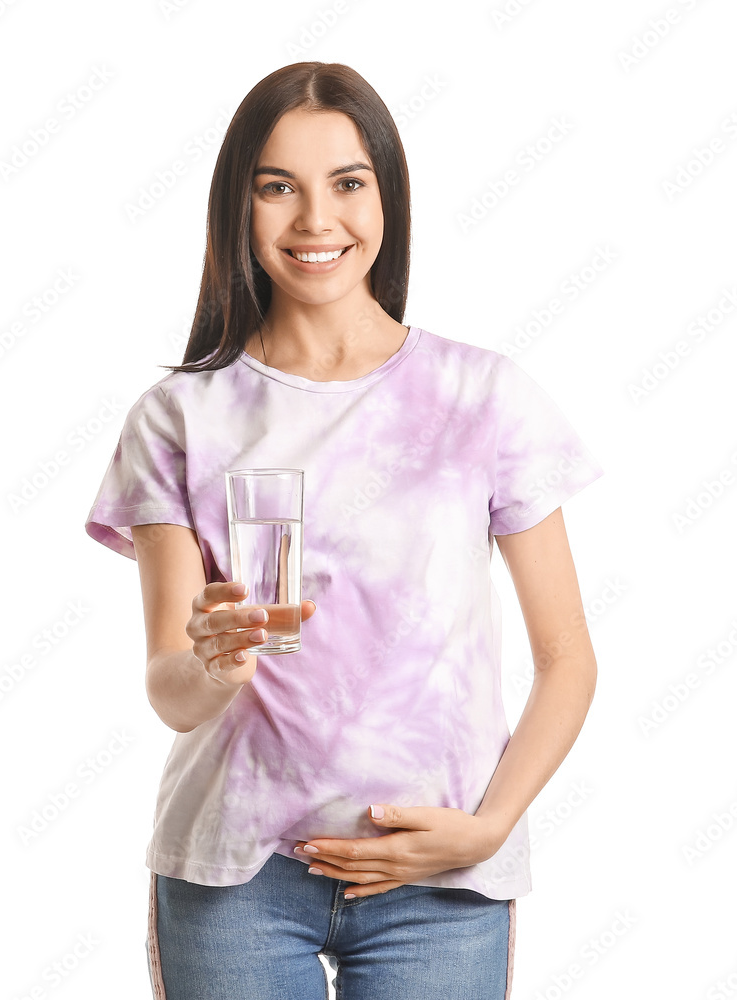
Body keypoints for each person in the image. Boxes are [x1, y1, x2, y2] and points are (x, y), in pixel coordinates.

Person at [85, 61, 603, 1000]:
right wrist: (213, 664)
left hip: (436, 877)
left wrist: (489, 829)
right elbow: (169, 687)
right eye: (276, 186)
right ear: (237, 208)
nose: (315, 220)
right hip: (235, 876)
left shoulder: (483, 397)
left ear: (388, 197)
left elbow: (566, 657)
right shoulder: (178, 417)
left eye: (347, 183)